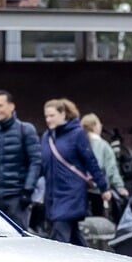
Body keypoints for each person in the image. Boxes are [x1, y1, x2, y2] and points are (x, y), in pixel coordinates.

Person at [40, 98, 110, 245]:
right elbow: (43, 165)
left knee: (60, 234)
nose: (48, 119)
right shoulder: (47, 137)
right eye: (46, 116)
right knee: (73, 237)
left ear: (63, 114)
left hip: (71, 192)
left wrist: (103, 187)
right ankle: (89, 260)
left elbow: (90, 161)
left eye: (52, 115)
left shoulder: (77, 134)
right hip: (53, 193)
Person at [0, 90, 43, 227]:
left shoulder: (25, 130)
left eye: (0, 106)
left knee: (18, 242)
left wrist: (27, 191)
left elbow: (35, 162)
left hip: (17, 197)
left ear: (11, 106)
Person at [82, 112, 130, 215]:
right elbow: (111, 169)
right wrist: (120, 187)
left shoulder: (79, 144)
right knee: (98, 218)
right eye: (99, 124)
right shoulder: (104, 146)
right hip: (99, 189)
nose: (101, 126)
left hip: (81, 188)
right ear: (94, 126)